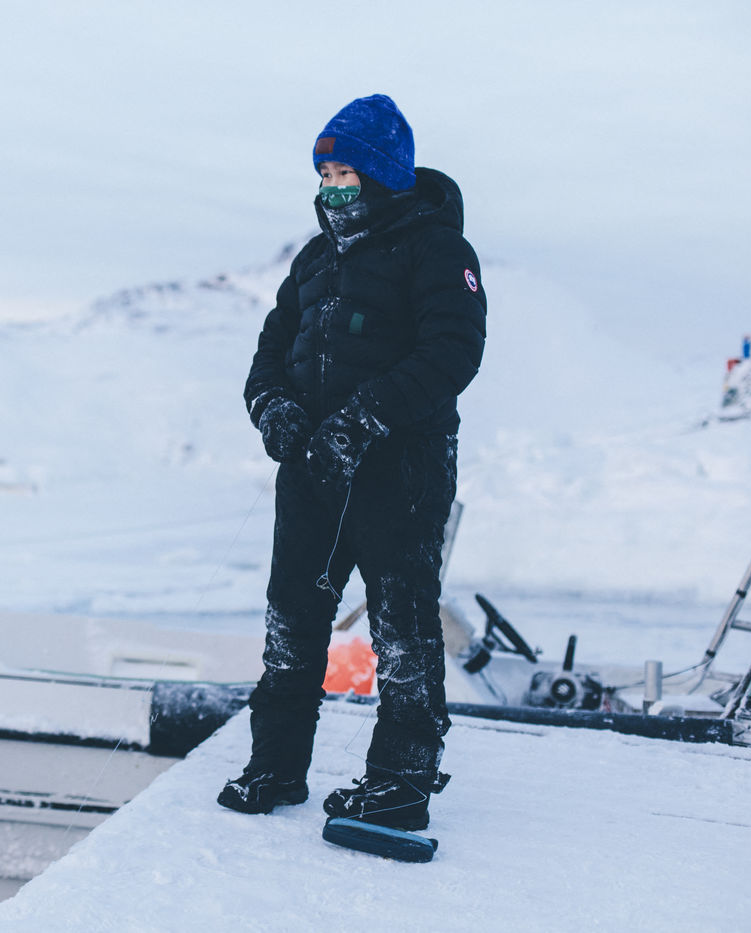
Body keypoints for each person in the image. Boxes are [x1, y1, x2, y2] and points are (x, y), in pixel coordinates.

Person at [217, 94, 486, 833]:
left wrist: (364, 418)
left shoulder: (437, 249)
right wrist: (273, 408)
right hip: (311, 466)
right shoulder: (314, 258)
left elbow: (453, 351)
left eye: (345, 173)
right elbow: (270, 352)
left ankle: (400, 783)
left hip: (401, 466)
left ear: (383, 174)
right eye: (324, 173)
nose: (332, 186)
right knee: (292, 617)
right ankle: (276, 766)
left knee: (401, 625)